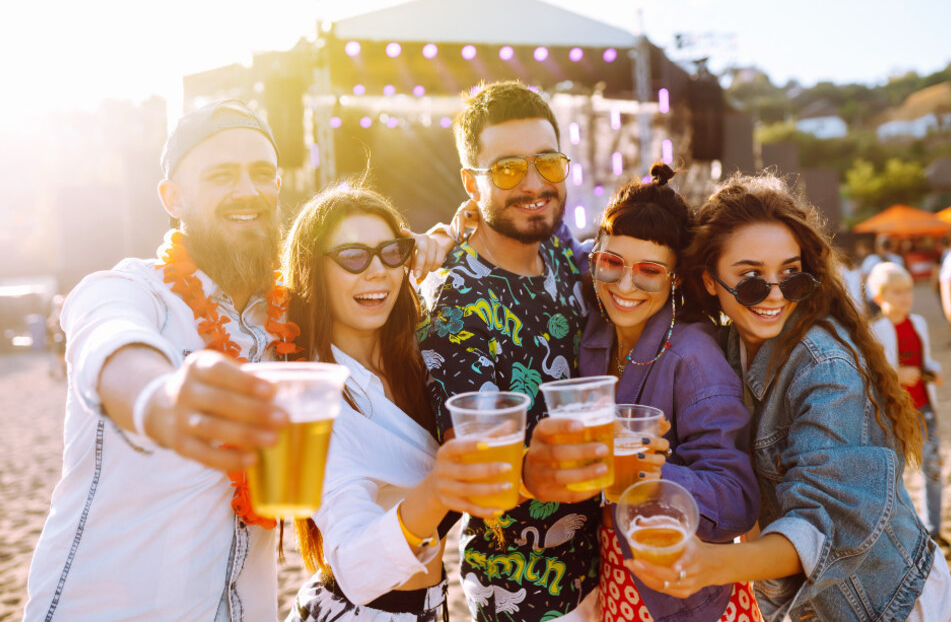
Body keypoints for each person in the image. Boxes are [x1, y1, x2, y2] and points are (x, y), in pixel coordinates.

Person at [630, 172, 951, 621]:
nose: (775, 296)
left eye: (791, 276)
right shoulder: (722, 349)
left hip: (891, 601)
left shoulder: (824, 366)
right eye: (751, 280)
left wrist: (712, 566)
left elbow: (824, 523)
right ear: (708, 281)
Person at [25, 100, 293, 620]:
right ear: (173, 198)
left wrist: (423, 247)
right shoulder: (128, 289)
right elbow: (111, 340)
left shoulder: (287, 319)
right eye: (221, 175)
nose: (248, 191)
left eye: (263, 174)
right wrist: (160, 399)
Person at [419, 81, 605, 621]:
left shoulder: (564, 255)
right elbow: (478, 473)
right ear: (470, 183)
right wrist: (535, 472)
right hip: (527, 593)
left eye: (547, 164)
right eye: (505, 170)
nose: (533, 185)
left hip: (614, 572)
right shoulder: (454, 299)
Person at [282, 184, 506, 621]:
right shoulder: (316, 397)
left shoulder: (418, 355)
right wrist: (443, 486)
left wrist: (437, 240)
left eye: (390, 253)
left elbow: (467, 226)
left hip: (433, 604)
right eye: (352, 257)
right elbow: (354, 563)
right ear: (314, 271)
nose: (377, 272)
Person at [577, 164, 761, 622]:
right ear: (595, 256)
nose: (624, 285)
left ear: (675, 279)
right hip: (617, 570)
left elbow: (737, 498)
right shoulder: (597, 328)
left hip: (686, 595)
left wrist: (656, 476)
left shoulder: (693, 360)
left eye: (649, 272)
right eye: (612, 263)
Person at [867, 262, 949, 551]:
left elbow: (923, 359)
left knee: (933, 466)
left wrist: (932, 370)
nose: (905, 297)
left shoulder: (919, 323)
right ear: (880, 297)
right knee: (897, 469)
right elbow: (872, 372)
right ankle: (899, 529)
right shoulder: (875, 330)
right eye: (897, 292)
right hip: (895, 411)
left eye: (908, 291)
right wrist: (897, 375)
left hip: (923, 406)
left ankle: (932, 529)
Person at [861, 234, 903, 316]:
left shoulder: (897, 259)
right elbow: (863, 278)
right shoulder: (871, 260)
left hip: (891, 297)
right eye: (884, 246)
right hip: (874, 297)